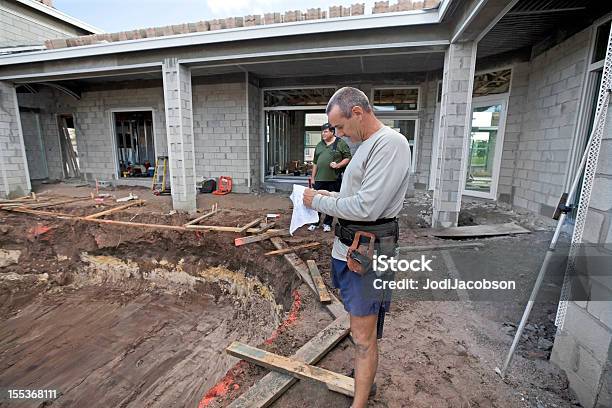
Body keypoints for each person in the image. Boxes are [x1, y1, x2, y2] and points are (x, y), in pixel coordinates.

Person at [303, 87, 411, 408]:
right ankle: (364, 375)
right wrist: (324, 199)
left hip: (368, 253)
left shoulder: (390, 144)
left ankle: (360, 402)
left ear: (358, 114)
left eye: (339, 126)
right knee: (359, 329)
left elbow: (367, 208)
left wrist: (320, 199)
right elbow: (353, 198)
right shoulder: (363, 146)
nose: (338, 134)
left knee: (363, 338)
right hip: (350, 249)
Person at [307, 122, 351, 232]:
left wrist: (338, 165)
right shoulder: (319, 145)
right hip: (319, 179)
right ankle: (315, 222)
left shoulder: (340, 143)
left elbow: (347, 158)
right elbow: (315, 163)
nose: (323, 134)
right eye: (322, 131)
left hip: (333, 179)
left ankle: (327, 223)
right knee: (316, 200)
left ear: (332, 132)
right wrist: (313, 178)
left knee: (330, 201)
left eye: (325, 131)